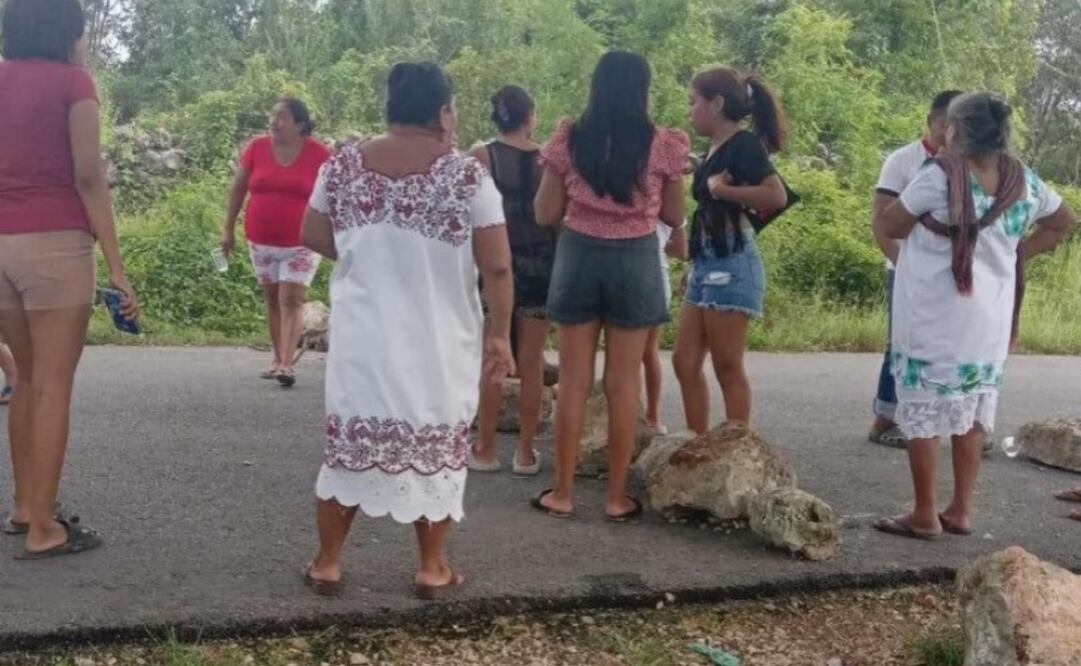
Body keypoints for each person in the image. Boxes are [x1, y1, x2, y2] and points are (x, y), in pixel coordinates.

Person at [300, 62, 515, 597]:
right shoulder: (467, 176)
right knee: (435, 446)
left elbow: (312, 232)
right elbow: (498, 267)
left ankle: (327, 562)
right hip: (438, 343)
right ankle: (432, 566)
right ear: (443, 112)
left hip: (362, 338)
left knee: (350, 446)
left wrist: (364, 256)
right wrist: (499, 333)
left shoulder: (341, 167)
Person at [873, 93, 1076, 540]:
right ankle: (961, 509)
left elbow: (890, 225)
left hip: (931, 313)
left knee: (922, 409)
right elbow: (1064, 220)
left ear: (955, 130)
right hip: (988, 320)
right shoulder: (1024, 182)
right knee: (973, 411)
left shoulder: (938, 175)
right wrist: (1021, 249)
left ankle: (925, 513)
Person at [0, 0, 140, 558]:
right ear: (68, 29)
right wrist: (117, 265)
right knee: (54, 384)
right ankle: (44, 530)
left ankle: (25, 505)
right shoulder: (73, 82)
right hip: (55, 244)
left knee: (28, 380)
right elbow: (87, 177)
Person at [533, 51, 689, 520]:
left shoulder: (570, 140)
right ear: (643, 90)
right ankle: (617, 497)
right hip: (637, 260)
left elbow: (544, 213)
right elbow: (675, 216)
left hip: (578, 255)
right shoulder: (663, 144)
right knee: (623, 384)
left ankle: (561, 493)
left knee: (574, 381)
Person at [672, 68, 788, 433]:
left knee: (727, 366)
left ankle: (736, 449)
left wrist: (726, 192)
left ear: (717, 103)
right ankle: (697, 441)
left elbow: (776, 194)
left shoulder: (744, 145)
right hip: (707, 262)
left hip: (733, 263)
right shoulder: (714, 150)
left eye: (694, 102)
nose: (690, 110)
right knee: (684, 361)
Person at [468, 85, 555, 477]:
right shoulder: (548, 160)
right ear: (530, 117)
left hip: (496, 264)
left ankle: (484, 449)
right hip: (542, 264)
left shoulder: (481, 155)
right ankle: (524, 452)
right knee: (533, 361)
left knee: (493, 355)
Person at [868, 90, 963, 447]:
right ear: (932, 121)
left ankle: (954, 422)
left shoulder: (972, 164)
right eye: (945, 123)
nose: (951, 131)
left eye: (958, 123)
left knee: (951, 346)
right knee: (901, 343)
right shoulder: (903, 161)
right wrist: (902, 264)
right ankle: (885, 418)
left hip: (951, 274)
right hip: (906, 268)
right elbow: (881, 220)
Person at [222, 98, 331, 388]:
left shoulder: (319, 153)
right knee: (272, 298)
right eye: (273, 115)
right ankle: (277, 358)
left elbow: (336, 192)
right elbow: (238, 188)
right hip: (260, 239)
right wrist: (228, 228)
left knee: (292, 299)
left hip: (302, 241)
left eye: (282, 117)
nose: (274, 121)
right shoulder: (256, 148)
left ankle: (286, 364)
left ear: (299, 125)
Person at [643, 221, 689, 435]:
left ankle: (625, 417)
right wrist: (659, 243)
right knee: (649, 352)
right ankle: (653, 417)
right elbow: (681, 249)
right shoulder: (669, 197)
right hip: (657, 274)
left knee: (624, 357)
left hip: (620, 267)